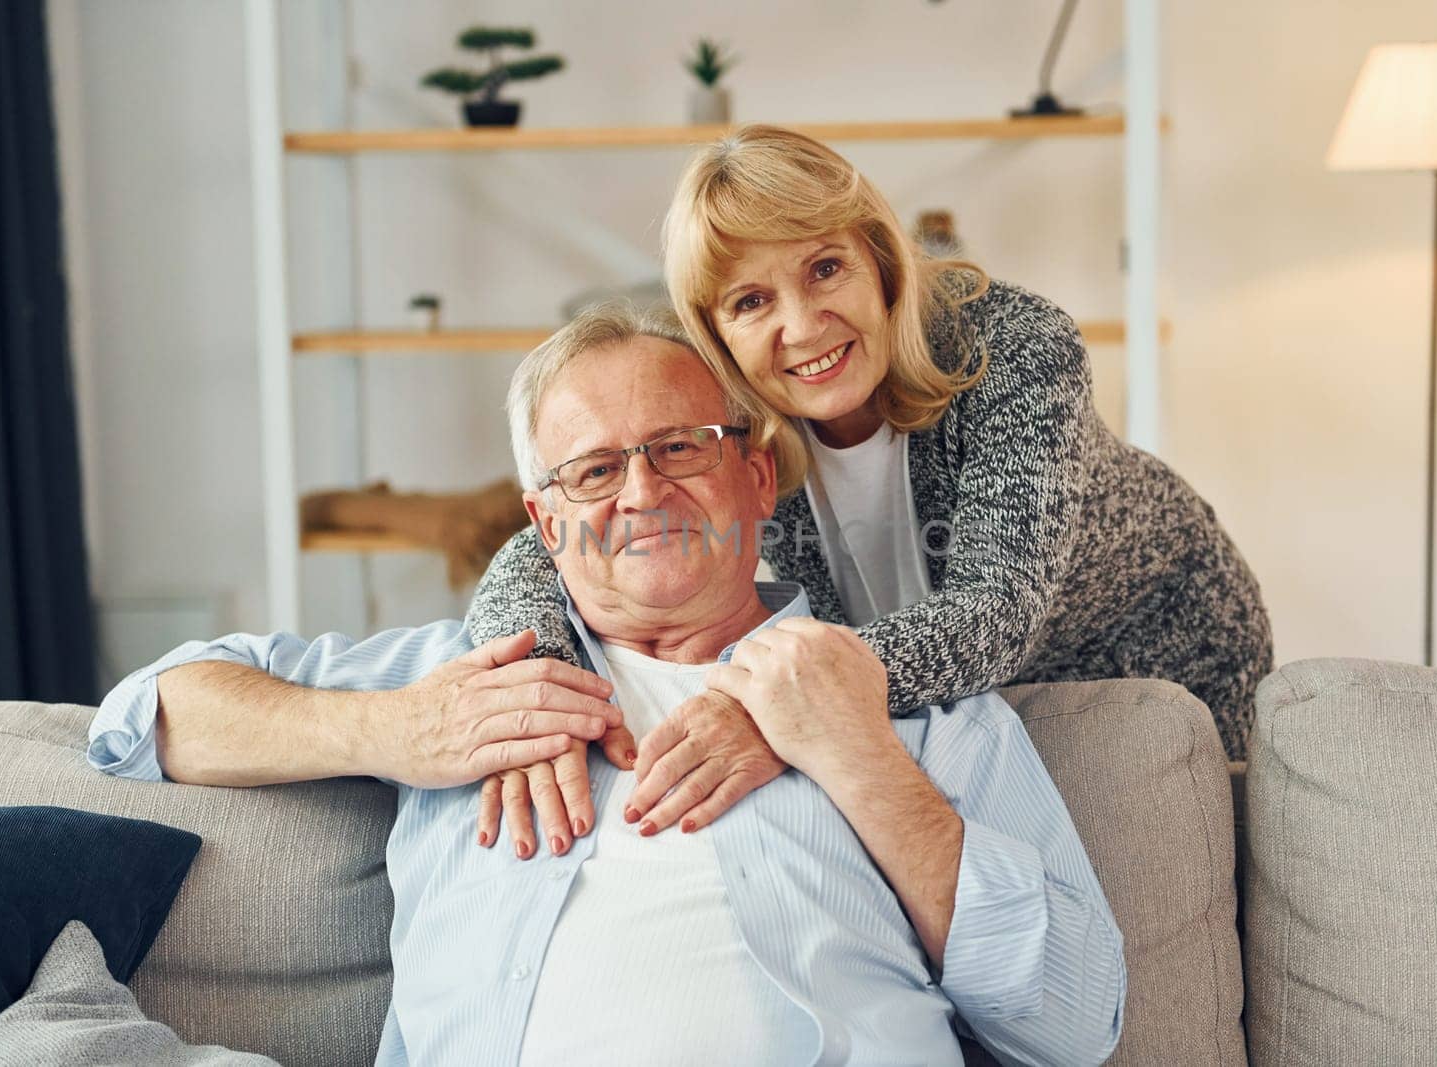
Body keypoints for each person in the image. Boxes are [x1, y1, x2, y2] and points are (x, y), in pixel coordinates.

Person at [88, 306, 1126, 1066]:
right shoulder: (463, 678)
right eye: (591, 469)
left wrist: (856, 754)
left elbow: (1073, 1019)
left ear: (757, 477)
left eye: (680, 447)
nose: (641, 492)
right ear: (545, 523)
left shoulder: (920, 705)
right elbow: (149, 712)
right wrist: (393, 726)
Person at [467, 127, 1272, 853]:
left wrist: (777, 705)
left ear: (881, 262)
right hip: (955, 715)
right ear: (716, 334)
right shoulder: (727, 419)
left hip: (1158, 670)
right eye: (752, 301)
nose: (805, 326)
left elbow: (995, 615)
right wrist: (532, 693)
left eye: (825, 268)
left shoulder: (1016, 350)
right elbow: (550, 535)